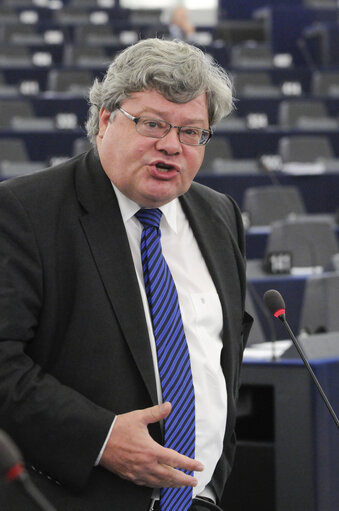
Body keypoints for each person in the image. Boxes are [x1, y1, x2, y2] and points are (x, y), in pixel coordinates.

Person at [0, 38, 252, 511]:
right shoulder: (23, 212)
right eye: (153, 123)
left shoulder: (220, 215)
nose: (171, 146)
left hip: (201, 498)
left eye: (192, 132)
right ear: (104, 119)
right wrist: (100, 439)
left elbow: (219, 356)